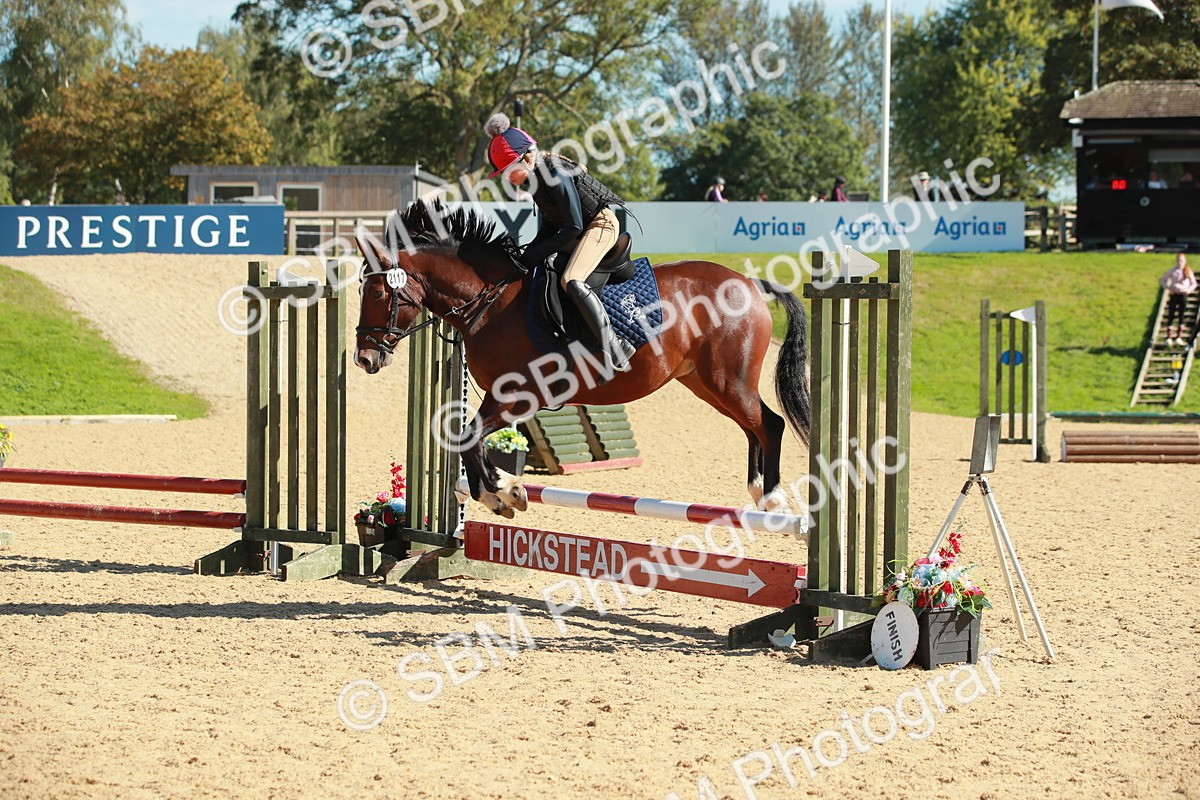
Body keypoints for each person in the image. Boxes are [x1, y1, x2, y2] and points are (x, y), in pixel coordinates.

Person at [485, 112, 635, 374]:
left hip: (600, 226)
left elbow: (573, 225)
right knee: (542, 266)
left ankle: (615, 346)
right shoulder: (534, 179)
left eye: (508, 169)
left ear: (527, 157)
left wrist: (533, 254)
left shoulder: (555, 174)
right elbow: (548, 227)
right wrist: (524, 256)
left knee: (571, 279)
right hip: (579, 231)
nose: (506, 178)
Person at [1159, 254, 1196, 346]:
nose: (1180, 262)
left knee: (1181, 314)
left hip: (1182, 294)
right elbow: (1162, 279)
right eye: (1179, 260)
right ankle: (1169, 337)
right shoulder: (1173, 270)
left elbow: (1194, 283)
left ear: (1185, 261)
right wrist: (1168, 288)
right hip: (1174, 294)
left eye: (1182, 260)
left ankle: (1179, 337)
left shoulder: (1188, 271)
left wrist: (1188, 290)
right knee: (1171, 314)